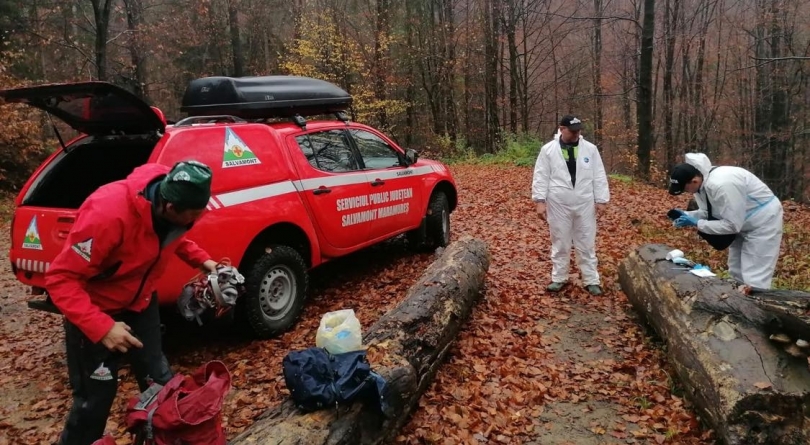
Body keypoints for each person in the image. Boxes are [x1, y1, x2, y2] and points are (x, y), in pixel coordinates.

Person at [46, 160, 221, 445]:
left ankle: (159, 439)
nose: (194, 221)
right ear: (169, 207)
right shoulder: (107, 215)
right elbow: (60, 279)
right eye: (191, 216)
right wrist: (102, 328)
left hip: (140, 303)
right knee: (95, 402)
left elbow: (174, 237)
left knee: (161, 382)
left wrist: (204, 261)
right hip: (95, 312)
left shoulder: (177, 206)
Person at [668, 152, 783, 289]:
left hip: (763, 222)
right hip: (741, 221)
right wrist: (687, 215)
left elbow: (732, 225)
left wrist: (697, 223)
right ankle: (737, 305)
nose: (687, 192)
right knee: (736, 270)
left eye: (685, 189)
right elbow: (708, 212)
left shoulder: (723, 185)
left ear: (694, 181)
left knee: (755, 276)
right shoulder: (701, 185)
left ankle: (759, 307)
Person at [532, 115, 610, 295]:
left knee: (586, 241)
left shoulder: (590, 149)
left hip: (584, 202)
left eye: (578, 131)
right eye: (572, 131)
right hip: (558, 202)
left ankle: (591, 279)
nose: (576, 134)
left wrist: (601, 200)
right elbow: (541, 176)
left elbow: (599, 175)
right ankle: (559, 278)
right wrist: (539, 201)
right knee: (560, 240)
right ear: (562, 129)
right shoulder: (548, 150)